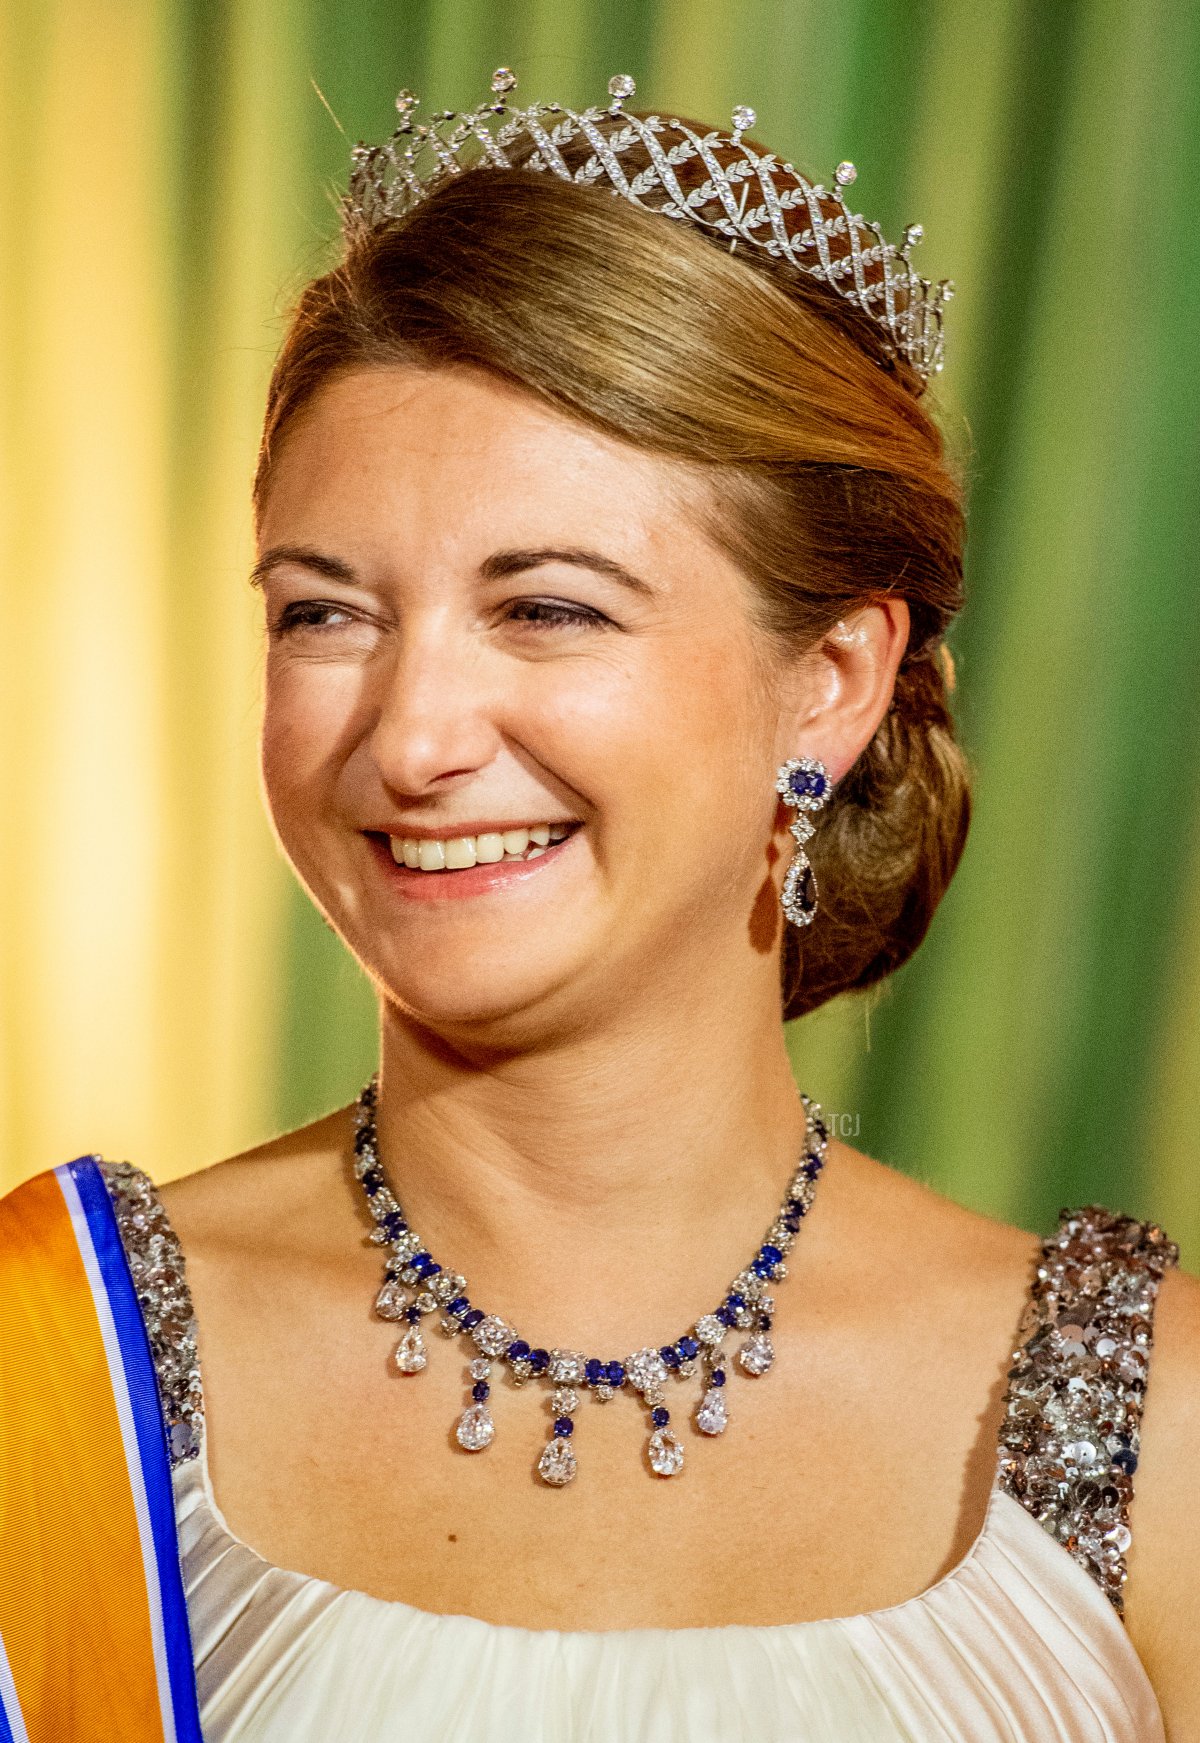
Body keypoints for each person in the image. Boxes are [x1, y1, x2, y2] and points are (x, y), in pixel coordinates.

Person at [1, 67, 1197, 1743]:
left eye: (548, 609)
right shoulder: (40, 1374)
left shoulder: (1159, 1437)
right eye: (325, 614)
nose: (411, 738)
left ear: (830, 683)